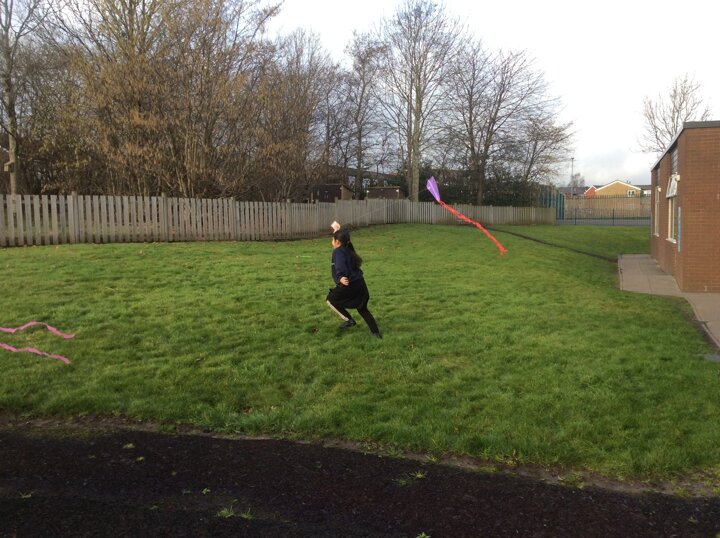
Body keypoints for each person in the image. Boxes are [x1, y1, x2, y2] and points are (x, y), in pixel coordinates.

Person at [326, 227, 382, 338]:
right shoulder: (349, 248)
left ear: (337, 242)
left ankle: (349, 320)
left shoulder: (338, 251)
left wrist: (340, 277)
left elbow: (340, 267)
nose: (331, 241)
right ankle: (376, 333)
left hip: (349, 285)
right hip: (361, 285)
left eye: (333, 239)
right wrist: (337, 232)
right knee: (362, 309)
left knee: (330, 299)